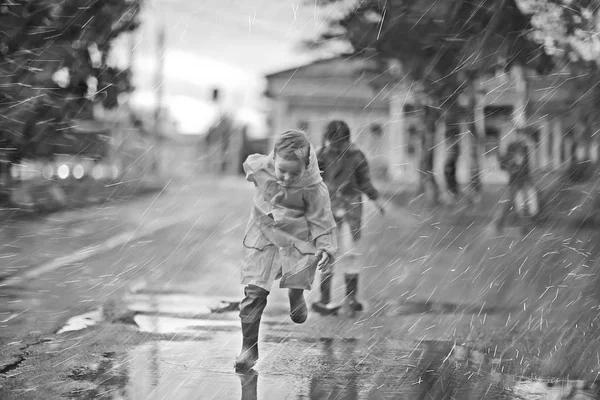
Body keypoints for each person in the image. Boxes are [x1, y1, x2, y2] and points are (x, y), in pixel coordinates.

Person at [234, 130, 337, 372]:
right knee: (254, 293)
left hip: (297, 240)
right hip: (264, 236)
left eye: (295, 172)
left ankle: (296, 292)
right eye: (282, 170)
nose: (288, 178)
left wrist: (326, 247)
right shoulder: (262, 168)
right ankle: (248, 348)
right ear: (273, 160)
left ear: (307, 164)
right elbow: (248, 166)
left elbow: (322, 219)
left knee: (297, 272)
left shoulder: (314, 188)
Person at [312, 120, 384, 317]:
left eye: (339, 144)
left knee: (351, 252)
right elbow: (311, 182)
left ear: (347, 141)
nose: (336, 148)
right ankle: (324, 299)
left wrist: (375, 198)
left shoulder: (356, 156)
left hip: (352, 209)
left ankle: (351, 298)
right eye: (332, 144)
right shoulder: (321, 155)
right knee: (328, 253)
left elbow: (365, 181)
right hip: (327, 211)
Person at [494, 128, 539, 233]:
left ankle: (525, 227)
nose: (524, 137)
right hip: (515, 180)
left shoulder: (525, 148)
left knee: (523, 202)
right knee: (512, 201)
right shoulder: (512, 147)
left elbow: (527, 166)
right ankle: (500, 223)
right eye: (522, 135)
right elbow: (505, 164)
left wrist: (528, 178)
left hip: (524, 179)